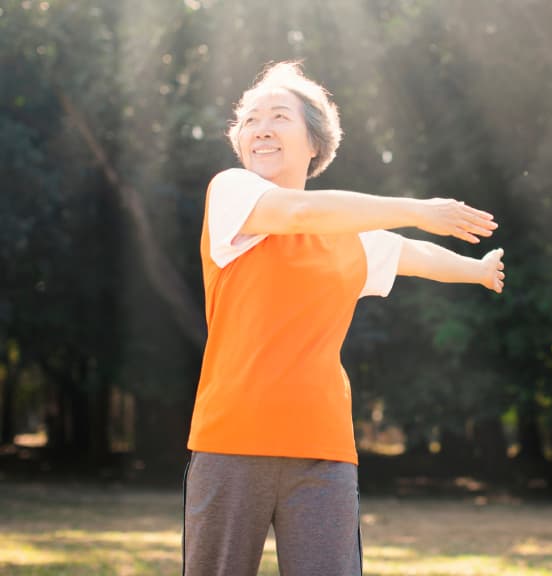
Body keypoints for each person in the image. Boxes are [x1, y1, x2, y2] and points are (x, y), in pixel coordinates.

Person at [183, 61, 505, 575]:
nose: (260, 127)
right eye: (250, 120)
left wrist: (479, 269)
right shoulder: (232, 193)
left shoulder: (352, 236)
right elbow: (297, 215)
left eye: (279, 116)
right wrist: (417, 207)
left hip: (323, 449)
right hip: (231, 440)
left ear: (315, 143)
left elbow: (413, 256)